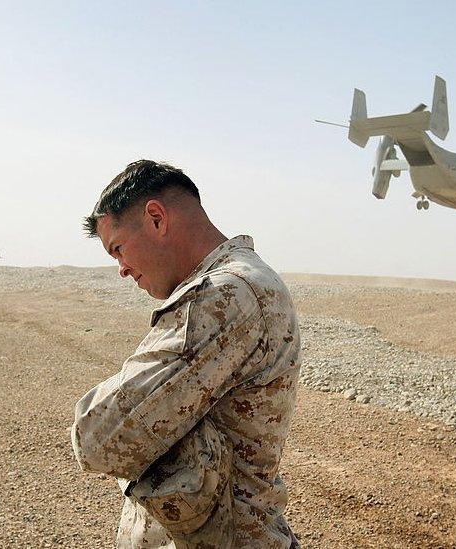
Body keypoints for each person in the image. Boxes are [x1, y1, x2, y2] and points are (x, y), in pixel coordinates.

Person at [71, 160, 301, 548]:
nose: (122, 270)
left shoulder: (224, 296)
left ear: (156, 219)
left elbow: (97, 436)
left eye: (119, 249)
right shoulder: (238, 284)